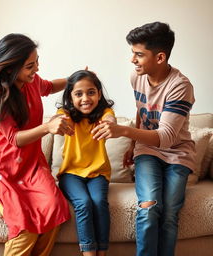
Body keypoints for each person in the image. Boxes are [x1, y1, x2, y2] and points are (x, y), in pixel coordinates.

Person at [0, 33, 75, 256]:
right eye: (30, 65)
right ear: (11, 68)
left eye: (37, 61)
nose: (37, 69)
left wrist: (76, 78)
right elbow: (14, 138)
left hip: (31, 164)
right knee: (24, 226)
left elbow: (49, 86)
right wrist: (47, 127)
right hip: (2, 167)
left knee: (55, 208)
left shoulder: (32, 82)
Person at [91, 22, 196, 256]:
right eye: (133, 53)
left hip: (178, 154)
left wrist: (124, 132)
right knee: (149, 207)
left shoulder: (180, 86)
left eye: (139, 54)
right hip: (147, 151)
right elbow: (143, 109)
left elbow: (167, 137)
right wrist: (132, 144)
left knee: (169, 213)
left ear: (160, 57)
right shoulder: (137, 77)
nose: (132, 60)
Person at [56, 70, 116, 256]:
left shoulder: (104, 113)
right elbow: (56, 120)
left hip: (97, 173)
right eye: (78, 94)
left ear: (99, 94)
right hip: (70, 174)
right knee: (83, 202)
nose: (85, 98)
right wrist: (58, 121)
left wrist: (110, 123)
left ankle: (102, 252)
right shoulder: (65, 113)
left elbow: (110, 118)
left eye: (91, 92)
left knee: (98, 202)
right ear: (70, 97)